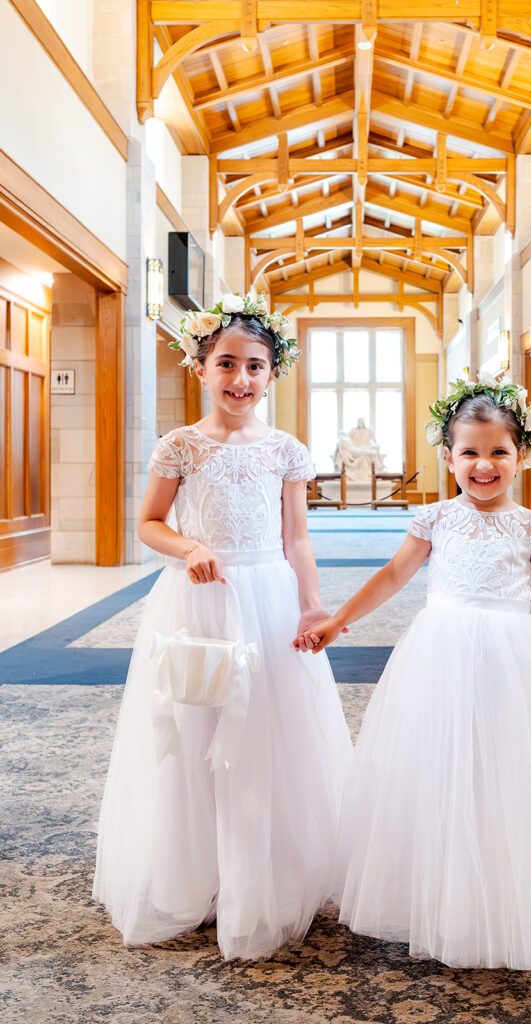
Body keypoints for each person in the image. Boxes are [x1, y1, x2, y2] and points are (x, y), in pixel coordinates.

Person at [294, 373, 531, 971]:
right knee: (441, 764)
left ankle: (505, 887)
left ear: (523, 456)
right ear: (448, 457)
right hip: (440, 652)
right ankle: (440, 888)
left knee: (508, 767)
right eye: (469, 452)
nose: (483, 465)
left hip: (515, 658)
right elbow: (393, 577)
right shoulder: (435, 519)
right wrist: (338, 621)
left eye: (498, 452)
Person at [93, 292, 353, 960]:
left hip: (268, 597)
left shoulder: (286, 451)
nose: (241, 379)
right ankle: (196, 873)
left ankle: (266, 877)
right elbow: (148, 523)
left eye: (256, 366)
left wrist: (311, 604)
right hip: (200, 599)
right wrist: (189, 547)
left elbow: (297, 539)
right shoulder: (181, 445)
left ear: (273, 374)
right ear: (200, 367)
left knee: (270, 732)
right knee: (197, 731)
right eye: (228, 363)